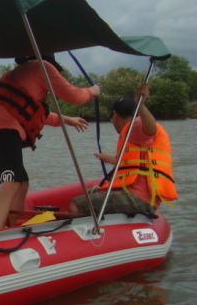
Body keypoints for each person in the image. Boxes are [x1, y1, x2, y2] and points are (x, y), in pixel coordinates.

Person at [0, 54, 99, 230]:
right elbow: (74, 95)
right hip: (4, 131)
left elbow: (35, 113)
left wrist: (66, 119)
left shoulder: (21, 72)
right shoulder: (42, 67)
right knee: (12, 182)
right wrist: (92, 92)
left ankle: (15, 225)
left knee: (22, 182)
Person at [69, 83, 176, 215]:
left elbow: (151, 129)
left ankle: (91, 234)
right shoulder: (134, 132)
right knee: (92, 193)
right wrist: (106, 158)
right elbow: (132, 162)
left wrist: (140, 104)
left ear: (115, 115)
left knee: (77, 205)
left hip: (137, 198)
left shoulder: (135, 126)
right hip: (140, 196)